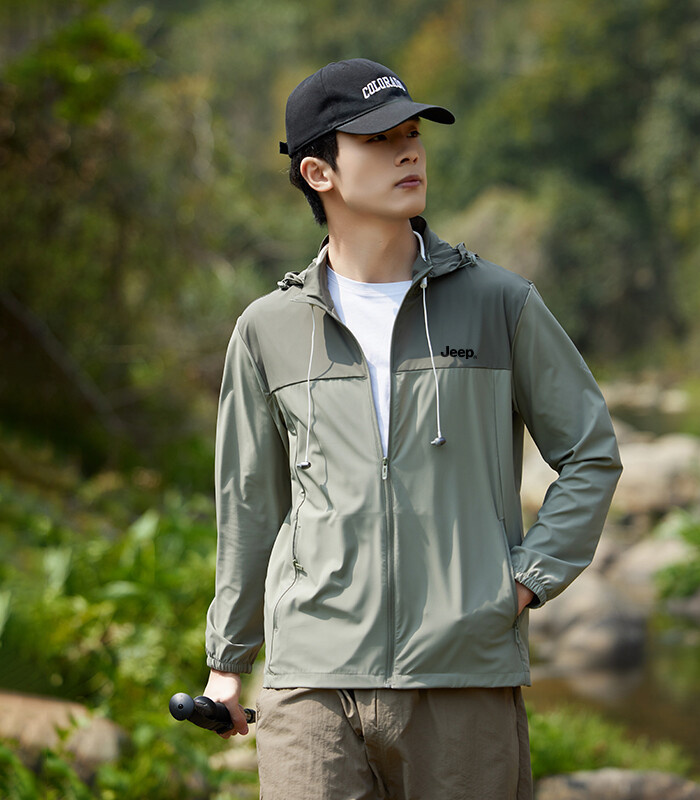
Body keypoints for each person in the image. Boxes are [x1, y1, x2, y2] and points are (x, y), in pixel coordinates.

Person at [203, 57, 622, 800]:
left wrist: (524, 582)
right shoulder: (267, 329)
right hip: (310, 682)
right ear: (318, 173)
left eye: (412, 134)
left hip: (462, 672)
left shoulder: (500, 303)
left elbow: (589, 453)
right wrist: (228, 660)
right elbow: (249, 505)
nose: (409, 152)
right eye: (379, 140)